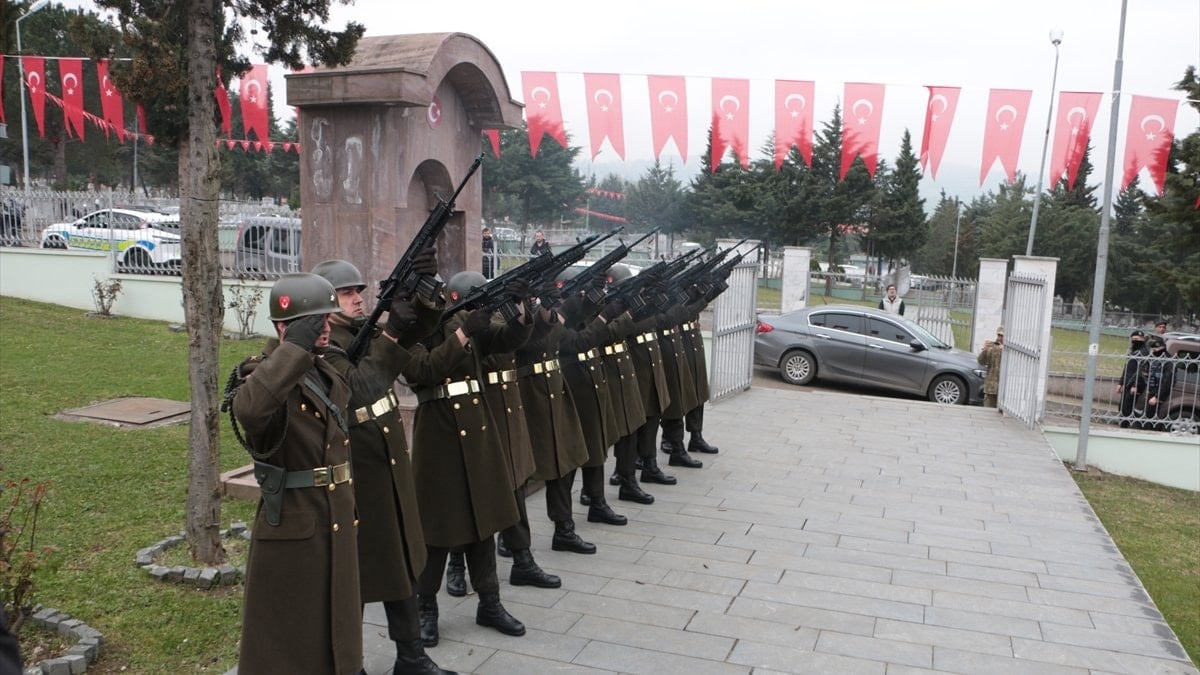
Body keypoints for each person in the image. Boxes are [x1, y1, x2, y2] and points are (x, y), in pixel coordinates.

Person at [311, 255, 457, 675]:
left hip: (387, 459)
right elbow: (359, 388)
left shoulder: (361, 329)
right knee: (354, 573)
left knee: (401, 562)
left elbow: (419, 336)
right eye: (347, 293)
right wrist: (391, 332)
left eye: (359, 290)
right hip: (356, 467)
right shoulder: (324, 343)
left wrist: (423, 293)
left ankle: (411, 657)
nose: (358, 298)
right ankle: (347, 664)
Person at [229, 273, 362, 675]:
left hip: (333, 517)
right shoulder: (262, 373)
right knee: (293, 640)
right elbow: (250, 411)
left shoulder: (322, 372)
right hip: (295, 526)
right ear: (286, 326)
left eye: (327, 318)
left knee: (337, 627)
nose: (325, 327)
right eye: (314, 320)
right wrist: (294, 347)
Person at [408, 277, 526, 647]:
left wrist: (521, 311)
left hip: (476, 426)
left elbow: (508, 340)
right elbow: (421, 372)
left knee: (484, 519)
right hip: (439, 430)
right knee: (437, 526)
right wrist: (461, 336)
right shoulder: (421, 329)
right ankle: (425, 608)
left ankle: (489, 601)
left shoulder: (470, 325)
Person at [1116, 329, 1149, 427]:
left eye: (1138, 339)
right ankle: (1123, 424)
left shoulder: (1144, 352)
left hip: (1135, 385)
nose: (1135, 341)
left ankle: (1127, 426)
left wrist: (1135, 385)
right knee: (1122, 406)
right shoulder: (1133, 351)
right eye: (1134, 339)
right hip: (1127, 382)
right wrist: (1120, 383)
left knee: (1128, 407)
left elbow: (1142, 371)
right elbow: (1127, 368)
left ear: (1143, 339)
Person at [1142, 335, 1175, 427]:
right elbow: (1148, 372)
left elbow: (1167, 381)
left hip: (1159, 393)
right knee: (1147, 415)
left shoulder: (1169, 360)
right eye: (1153, 349)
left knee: (1151, 417)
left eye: (1157, 348)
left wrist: (1157, 397)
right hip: (1152, 390)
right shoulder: (1154, 357)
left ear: (1163, 347)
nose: (1155, 351)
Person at [976, 326, 1004, 409]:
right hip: (991, 387)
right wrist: (985, 349)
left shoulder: (1012, 350)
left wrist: (1005, 352)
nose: (1000, 337)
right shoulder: (992, 347)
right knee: (988, 411)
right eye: (999, 335)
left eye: (1002, 335)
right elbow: (981, 361)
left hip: (1004, 388)